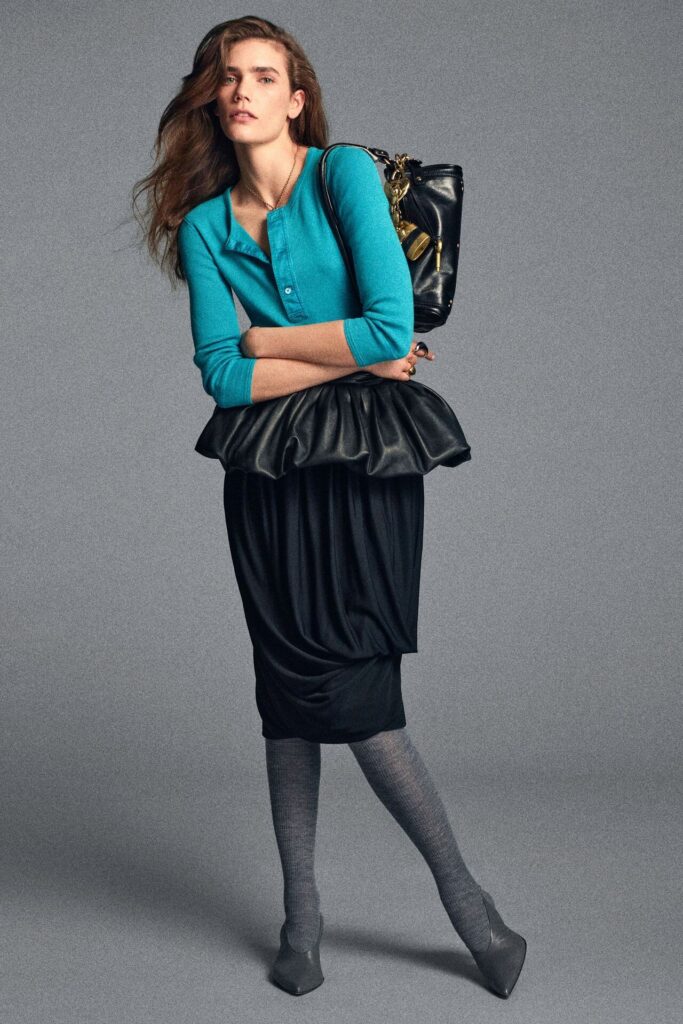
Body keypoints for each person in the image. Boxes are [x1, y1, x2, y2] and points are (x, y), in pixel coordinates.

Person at [132, 14, 526, 1000]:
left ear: (296, 98)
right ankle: (300, 918)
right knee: (285, 696)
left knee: (355, 695)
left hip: (363, 465)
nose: (242, 90)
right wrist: (329, 352)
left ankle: (468, 905)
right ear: (210, 99)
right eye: (227, 77)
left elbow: (389, 329)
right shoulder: (206, 226)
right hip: (266, 477)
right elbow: (223, 380)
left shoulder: (341, 174)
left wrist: (266, 340)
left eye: (263, 75)